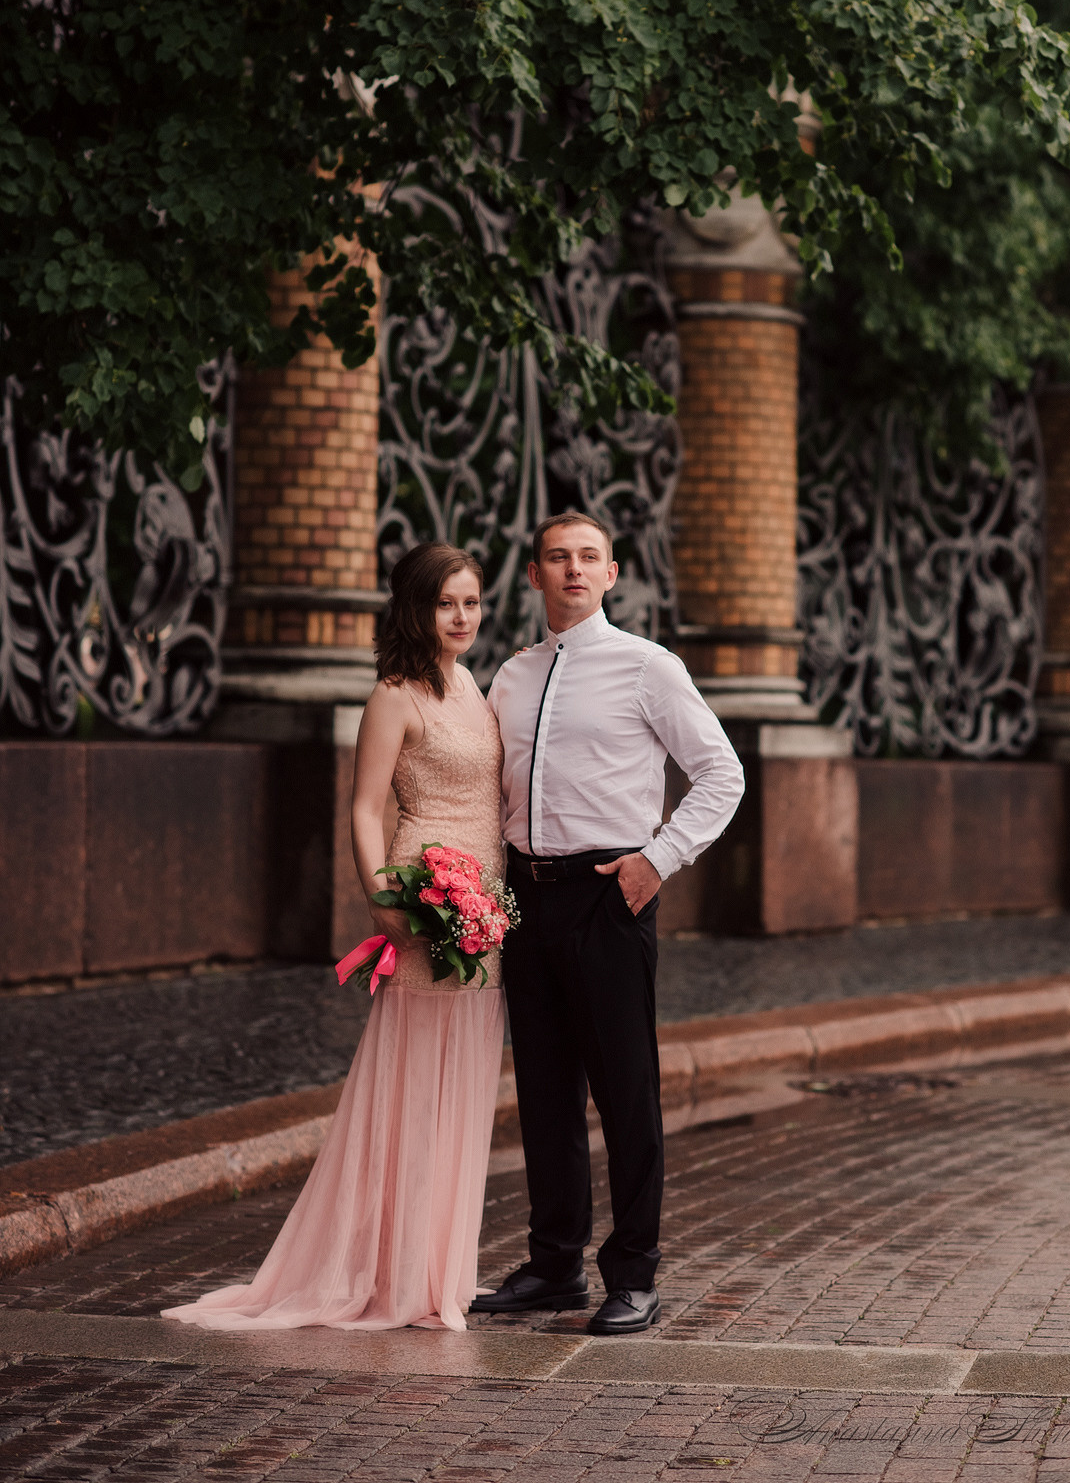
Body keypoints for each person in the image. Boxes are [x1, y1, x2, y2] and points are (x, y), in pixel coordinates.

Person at [163, 543, 504, 1333]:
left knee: (467, 1085)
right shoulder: (391, 695)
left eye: (472, 603)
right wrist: (385, 898)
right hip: (428, 901)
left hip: (485, 912)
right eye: (446, 603)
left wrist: (486, 904)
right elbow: (362, 807)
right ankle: (395, 1277)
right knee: (415, 1085)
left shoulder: (470, 684)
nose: (462, 617)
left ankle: (438, 1275)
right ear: (414, 609)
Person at [474, 512, 744, 1335]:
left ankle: (633, 1273)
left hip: (608, 894)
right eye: (558, 557)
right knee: (546, 1094)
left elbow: (720, 774)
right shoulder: (511, 677)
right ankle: (554, 1266)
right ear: (534, 575)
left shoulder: (647, 667)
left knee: (627, 1093)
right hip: (527, 897)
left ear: (613, 573)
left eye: (589, 557)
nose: (574, 570)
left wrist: (656, 861)